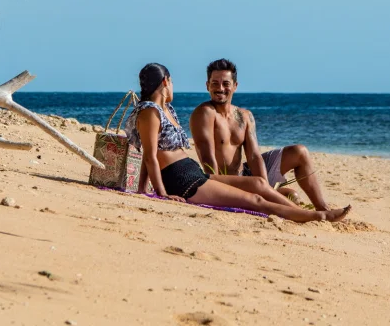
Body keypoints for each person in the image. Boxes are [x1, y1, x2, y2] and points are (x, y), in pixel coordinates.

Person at [124, 62, 350, 223]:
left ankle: (308, 213)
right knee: (255, 199)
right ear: (166, 81)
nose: (220, 88)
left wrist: (145, 189)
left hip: (190, 172)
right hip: (181, 180)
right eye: (172, 82)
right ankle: (317, 217)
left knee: (259, 186)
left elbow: (151, 151)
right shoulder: (151, 113)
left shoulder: (166, 109)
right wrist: (160, 194)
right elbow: (150, 155)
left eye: (225, 83)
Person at [189, 58, 333, 211]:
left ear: (235, 86)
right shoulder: (205, 113)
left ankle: (322, 208)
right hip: (225, 181)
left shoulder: (245, 116)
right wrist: (219, 193)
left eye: (226, 83)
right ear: (207, 86)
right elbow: (207, 159)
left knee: (300, 153)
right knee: (290, 198)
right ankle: (300, 212)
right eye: (215, 83)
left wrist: (264, 187)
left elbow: (254, 156)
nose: (220, 88)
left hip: (246, 175)